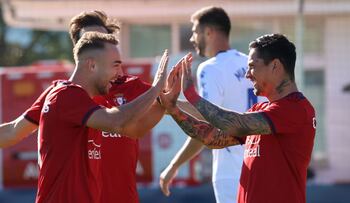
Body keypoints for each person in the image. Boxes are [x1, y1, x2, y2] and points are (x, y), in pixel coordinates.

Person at [0, 10, 167, 203]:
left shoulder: (122, 91)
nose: (118, 72)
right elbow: (13, 131)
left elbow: (135, 128)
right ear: (88, 58)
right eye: (114, 64)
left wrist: (166, 101)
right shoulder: (65, 96)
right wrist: (156, 90)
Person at [160, 33, 316, 203]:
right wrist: (173, 107)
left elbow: (233, 123)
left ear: (275, 66)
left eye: (252, 66)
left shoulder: (296, 108)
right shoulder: (261, 109)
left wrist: (191, 94)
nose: (248, 74)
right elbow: (212, 138)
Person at [159, 6, 260, 203]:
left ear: (209, 32)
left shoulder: (210, 68)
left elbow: (206, 122)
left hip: (233, 174)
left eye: (195, 31)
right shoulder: (252, 65)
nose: (191, 38)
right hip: (263, 169)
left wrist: (173, 165)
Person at [69, 11, 167, 203]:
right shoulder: (63, 98)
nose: (97, 45)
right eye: (90, 40)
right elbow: (15, 130)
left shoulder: (131, 87)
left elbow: (172, 106)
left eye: (103, 40)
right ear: (79, 49)